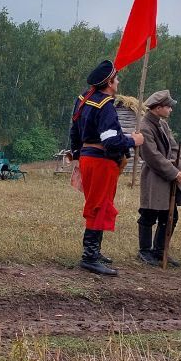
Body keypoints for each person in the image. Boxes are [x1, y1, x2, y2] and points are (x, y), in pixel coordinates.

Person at [68, 59, 141, 276]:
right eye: (116, 79)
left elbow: (74, 133)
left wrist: (78, 157)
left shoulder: (83, 99)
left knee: (101, 203)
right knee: (98, 206)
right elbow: (111, 141)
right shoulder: (105, 106)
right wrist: (133, 141)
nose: (118, 82)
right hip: (101, 161)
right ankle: (89, 257)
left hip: (88, 159)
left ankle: (95, 251)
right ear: (109, 82)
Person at [135, 90, 181, 267]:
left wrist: (179, 169)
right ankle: (144, 251)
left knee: (170, 216)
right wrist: (174, 173)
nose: (170, 110)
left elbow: (173, 148)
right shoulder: (144, 127)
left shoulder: (162, 125)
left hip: (168, 176)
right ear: (158, 108)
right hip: (154, 177)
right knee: (149, 214)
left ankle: (159, 250)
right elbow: (152, 156)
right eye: (168, 107)